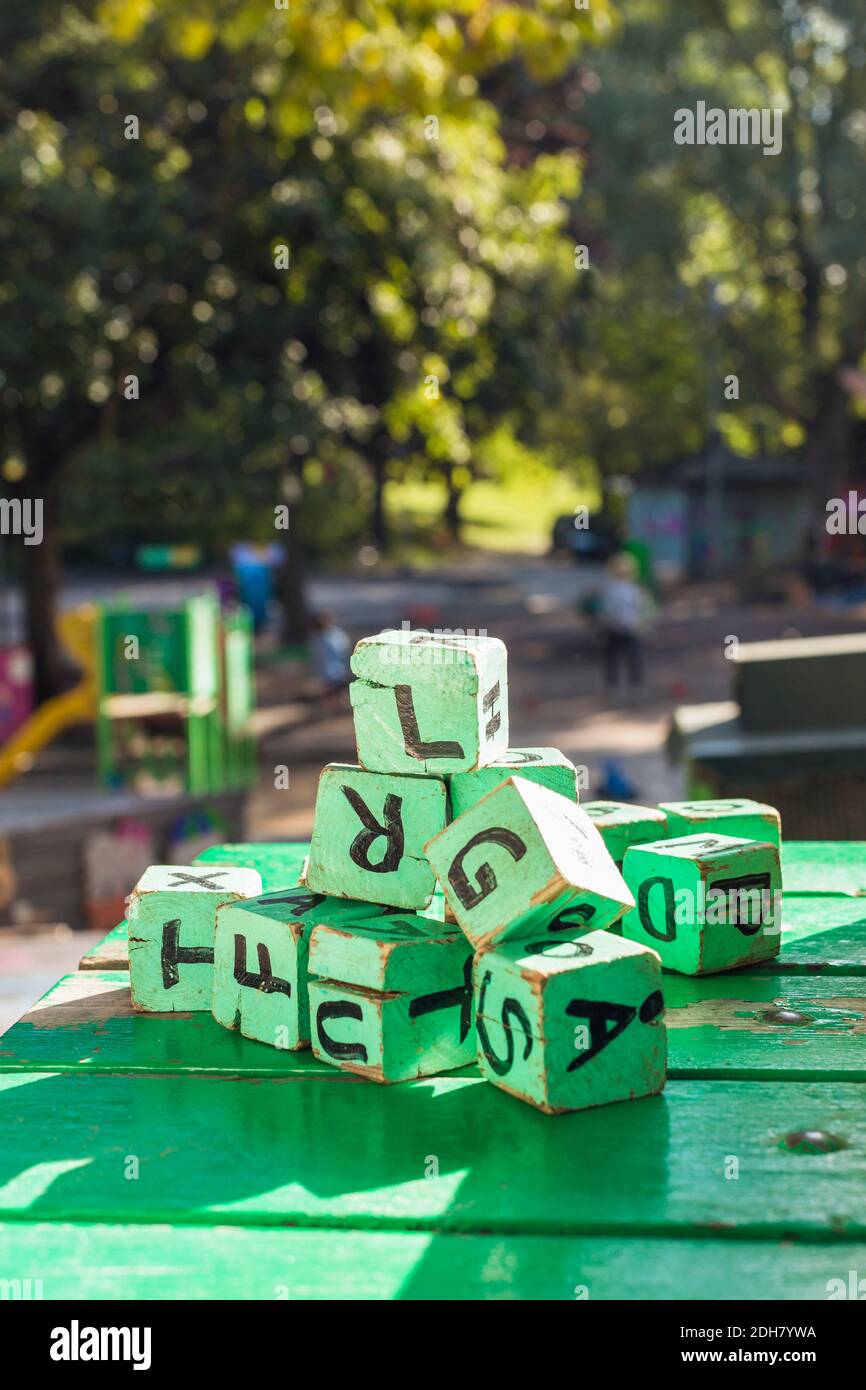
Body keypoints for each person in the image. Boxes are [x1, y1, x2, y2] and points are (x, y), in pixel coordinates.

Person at [596, 552, 652, 694]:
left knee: (634, 658)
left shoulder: (634, 588)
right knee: (612, 659)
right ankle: (612, 687)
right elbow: (606, 609)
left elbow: (643, 607)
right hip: (614, 629)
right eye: (618, 569)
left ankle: (636, 685)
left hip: (631, 628)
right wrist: (607, 622)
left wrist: (642, 621)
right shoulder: (609, 588)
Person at [309, 612, 351, 708]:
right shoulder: (331, 635)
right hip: (331, 673)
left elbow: (342, 653)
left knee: (335, 691)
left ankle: (336, 705)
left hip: (335, 672)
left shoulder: (333, 637)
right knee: (333, 692)